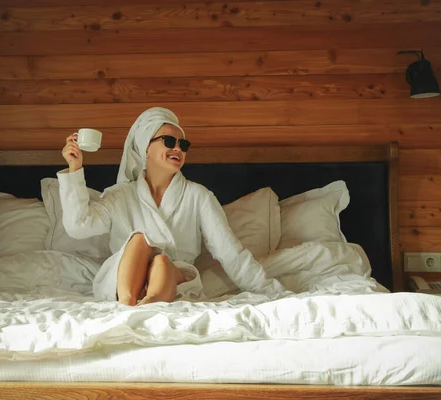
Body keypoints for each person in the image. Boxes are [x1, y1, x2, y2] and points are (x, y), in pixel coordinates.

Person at [59, 107, 286, 305]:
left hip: (172, 280)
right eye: (168, 141)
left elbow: (230, 253)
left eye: (183, 144)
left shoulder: (199, 196)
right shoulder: (120, 195)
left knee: (161, 261)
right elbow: (79, 226)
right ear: (145, 148)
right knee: (139, 239)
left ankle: (146, 305)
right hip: (123, 282)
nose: (177, 148)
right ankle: (127, 307)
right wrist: (75, 169)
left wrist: (274, 293)